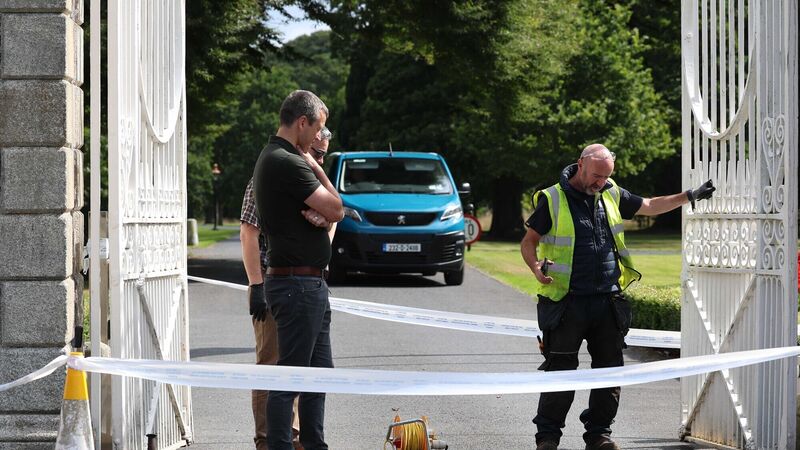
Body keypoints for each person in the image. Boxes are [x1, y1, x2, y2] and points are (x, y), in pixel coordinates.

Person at [520, 144, 715, 450]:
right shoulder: (553, 198)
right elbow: (529, 241)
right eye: (596, 176)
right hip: (566, 302)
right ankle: (547, 438)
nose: (601, 182)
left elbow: (650, 205)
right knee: (560, 373)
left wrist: (688, 196)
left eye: (606, 176)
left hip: (607, 300)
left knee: (609, 373)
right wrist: (534, 266)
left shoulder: (611, 192)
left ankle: (599, 435)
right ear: (580, 164)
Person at [252, 90, 343, 450]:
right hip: (297, 283)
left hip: (309, 283)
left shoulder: (288, 158)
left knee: (318, 375)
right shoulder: (284, 161)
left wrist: (317, 168)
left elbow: (334, 210)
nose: (318, 138)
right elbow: (337, 209)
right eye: (317, 128)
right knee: (290, 377)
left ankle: (314, 445)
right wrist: (323, 193)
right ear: (302, 122)